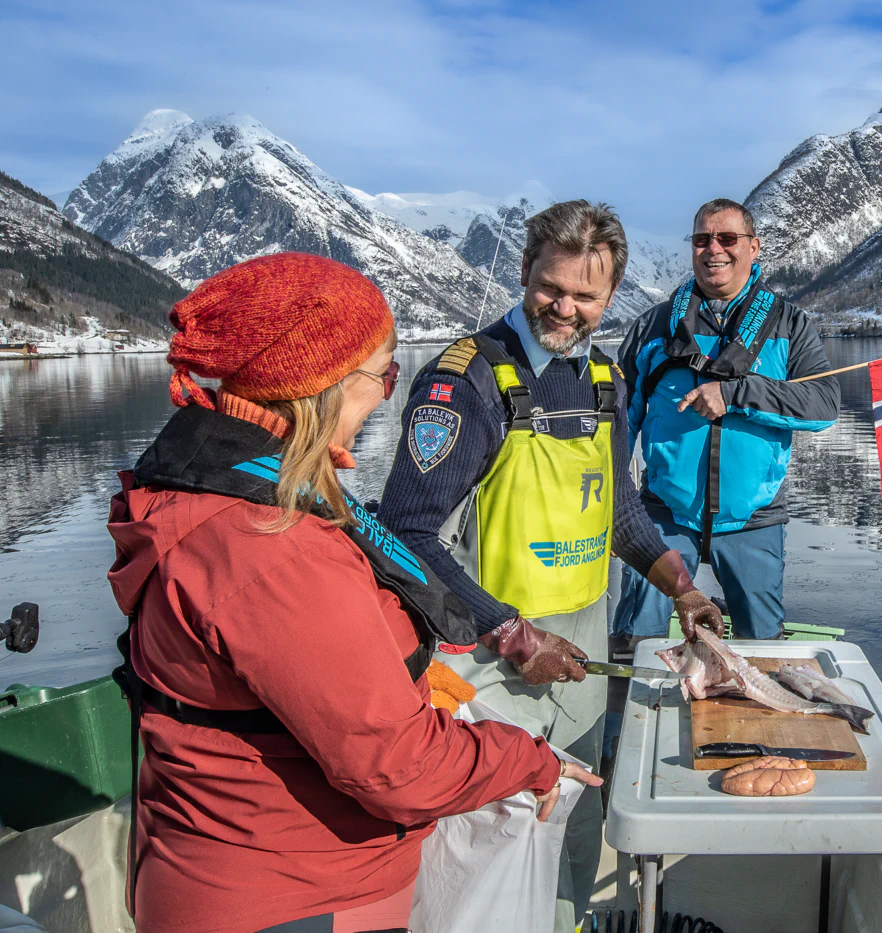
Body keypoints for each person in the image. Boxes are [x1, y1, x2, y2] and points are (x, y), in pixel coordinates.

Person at [106, 252, 600, 933]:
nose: (391, 395)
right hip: (290, 898)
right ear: (324, 385)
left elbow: (293, 675)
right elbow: (398, 766)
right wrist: (528, 760)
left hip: (235, 870)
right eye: (384, 375)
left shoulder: (219, 492)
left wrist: (407, 681)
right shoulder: (273, 546)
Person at [377, 200, 723, 932]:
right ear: (524, 270)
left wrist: (682, 587)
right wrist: (511, 634)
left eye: (585, 296)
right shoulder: (463, 383)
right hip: (485, 672)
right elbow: (405, 534)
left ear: (612, 293)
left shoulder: (604, 379)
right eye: (549, 288)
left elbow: (620, 513)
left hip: (579, 665)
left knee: (575, 833)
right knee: (493, 854)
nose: (564, 309)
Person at [613, 198, 840, 643]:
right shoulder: (653, 327)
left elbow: (823, 405)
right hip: (663, 514)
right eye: (702, 239)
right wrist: (612, 504)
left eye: (727, 238)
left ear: (754, 247)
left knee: (761, 646)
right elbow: (619, 424)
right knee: (635, 642)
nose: (713, 249)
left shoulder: (789, 324)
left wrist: (735, 394)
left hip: (753, 518)